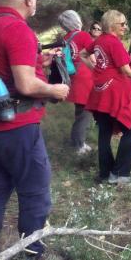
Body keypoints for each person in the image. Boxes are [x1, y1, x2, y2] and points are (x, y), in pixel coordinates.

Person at [0, 0, 70, 260]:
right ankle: (33, 254)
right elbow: (26, 85)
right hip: (16, 126)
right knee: (35, 187)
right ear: (28, 0)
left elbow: (0, 67)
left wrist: (39, 62)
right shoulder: (17, 28)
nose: (36, 1)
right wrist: (54, 89)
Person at [80, 10, 131, 184]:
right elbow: (127, 71)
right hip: (115, 95)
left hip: (100, 92)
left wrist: (97, 71)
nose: (125, 27)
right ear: (111, 25)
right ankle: (120, 174)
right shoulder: (114, 42)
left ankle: (105, 174)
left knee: (104, 133)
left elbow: (83, 54)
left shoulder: (99, 40)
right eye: (122, 24)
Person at [58, 10, 95, 155]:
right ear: (76, 20)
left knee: (80, 111)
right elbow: (92, 57)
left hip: (73, 77)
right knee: (85, 113)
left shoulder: (66, 38)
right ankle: (78, 145)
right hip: (85, 78)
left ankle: (77, 141)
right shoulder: (83, 35)